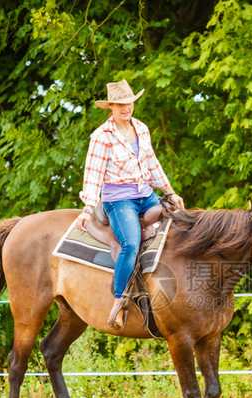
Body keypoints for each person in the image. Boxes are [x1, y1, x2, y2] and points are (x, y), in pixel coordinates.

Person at [73, 80, 184, 328]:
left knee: (180, 224)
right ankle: (119, 301)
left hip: (146, 194)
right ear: (111, 106)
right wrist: (88, 209)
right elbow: (92, 174)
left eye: (129, 103)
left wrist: (170, 191)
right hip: (119, 200)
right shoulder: (102, 136)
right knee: (131, 243)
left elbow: (152, 163)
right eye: (121, 104)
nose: (126, 108)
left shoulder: (141, 128)